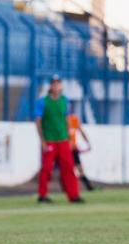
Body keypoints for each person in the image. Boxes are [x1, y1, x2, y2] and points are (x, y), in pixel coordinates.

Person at [35, 74, 83, 203]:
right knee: (46, 169)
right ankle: (42, 195)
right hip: (50, 140)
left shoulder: (65, 101)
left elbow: (66, 120)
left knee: (69, 167)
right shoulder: (43, 102)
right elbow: (38, 122)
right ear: (50, 86)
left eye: (58, 83)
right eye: (53, 83)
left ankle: (73, 195)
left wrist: (70, 139)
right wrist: (43, 141)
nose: (56, 86)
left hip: (63, 140)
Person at [67, 103, 94, 191]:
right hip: (65, 148)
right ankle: (68, 187)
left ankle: (88, 186)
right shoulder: (61, 120)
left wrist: (87, 142)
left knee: (79, 167)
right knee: (68, 169)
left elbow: (81, 131)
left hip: (73, 148)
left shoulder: (74, 119)